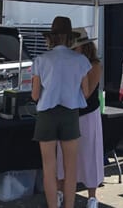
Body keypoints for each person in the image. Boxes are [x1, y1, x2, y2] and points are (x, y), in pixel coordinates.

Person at [31, 16, 91, 208]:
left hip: (46, 114)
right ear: (70, 37)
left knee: (49, 167)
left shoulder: (41, 60)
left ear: (51, 36)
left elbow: (35, 95)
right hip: (70, 113)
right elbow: (86, 92)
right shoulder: (81, 60)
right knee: (70, 167)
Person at [57, 30, 104, 208]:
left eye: (73, 48)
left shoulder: (94, 65)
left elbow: (87, 93)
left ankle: (92, 197)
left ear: (84, 47)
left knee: (89, 153)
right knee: (62, 154)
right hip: (68, 113)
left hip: (87, 114)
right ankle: (60, 192)